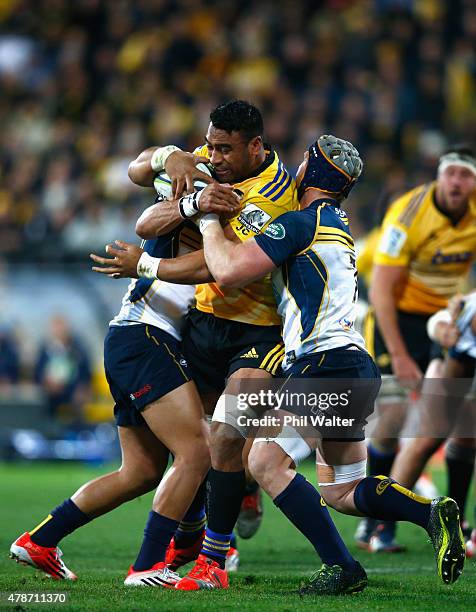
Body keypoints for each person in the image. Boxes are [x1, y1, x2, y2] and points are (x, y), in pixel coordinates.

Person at [96, 135, 466, 594]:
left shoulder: (298, 223)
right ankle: (431, 514)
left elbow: (228, 270)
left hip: (323, 364)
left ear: (311, 172)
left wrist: (204, 217)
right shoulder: (337, 226)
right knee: (342, 493)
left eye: (305, 161)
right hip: (354, 366)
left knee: (264, 459)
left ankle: (338, 566)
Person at [91, 99, 299, 590]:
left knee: (226, 436)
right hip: (203, 325)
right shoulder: (209, 160)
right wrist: (170, 157)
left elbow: (219, 267)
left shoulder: (273, 198)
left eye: (225, 149)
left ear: (255, 146)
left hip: (258, 328)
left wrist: (146, 265)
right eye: (209, 144)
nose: (214, 156)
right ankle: (216, 520)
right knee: (207, 441)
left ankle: (214, 551)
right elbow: (136, 171)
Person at [9, 161, 238, 586]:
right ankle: (148, 565)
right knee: (198, 450)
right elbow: (199, 256)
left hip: (131, 340)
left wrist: (170, 162)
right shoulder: (189, 217)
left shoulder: (193, 213)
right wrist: (180, 178)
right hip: (146, 338)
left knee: (141, 472)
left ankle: (40, 540)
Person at [359, 144, 476, 551]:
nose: (457, 182)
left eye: (465, 175)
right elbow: (382, 290)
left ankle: (450, 523)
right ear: (439, 177)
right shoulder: (408, 214)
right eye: (451, 174)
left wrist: (461, 306)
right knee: (391, 418)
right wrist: (403, 355)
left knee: (461, 422)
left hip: (445, 322)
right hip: (399, 320)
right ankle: (376, 522)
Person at [391, 291, 476, 550]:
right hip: (453, 359)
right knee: (429, 437)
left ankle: (459, 523)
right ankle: (381, 521)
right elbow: (440, 320)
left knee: (466, 437)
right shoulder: (468, 311)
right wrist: (442, 330)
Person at [34, 315, 92, 423]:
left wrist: (83, 388)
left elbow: (86, 372)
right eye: (56, 327)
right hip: (50, 391)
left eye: (61, 326)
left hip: (72, 389)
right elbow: (38, 371)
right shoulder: (45, 349)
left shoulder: (78, 349)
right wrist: (46, 382)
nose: (59, 330)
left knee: (78, 400)